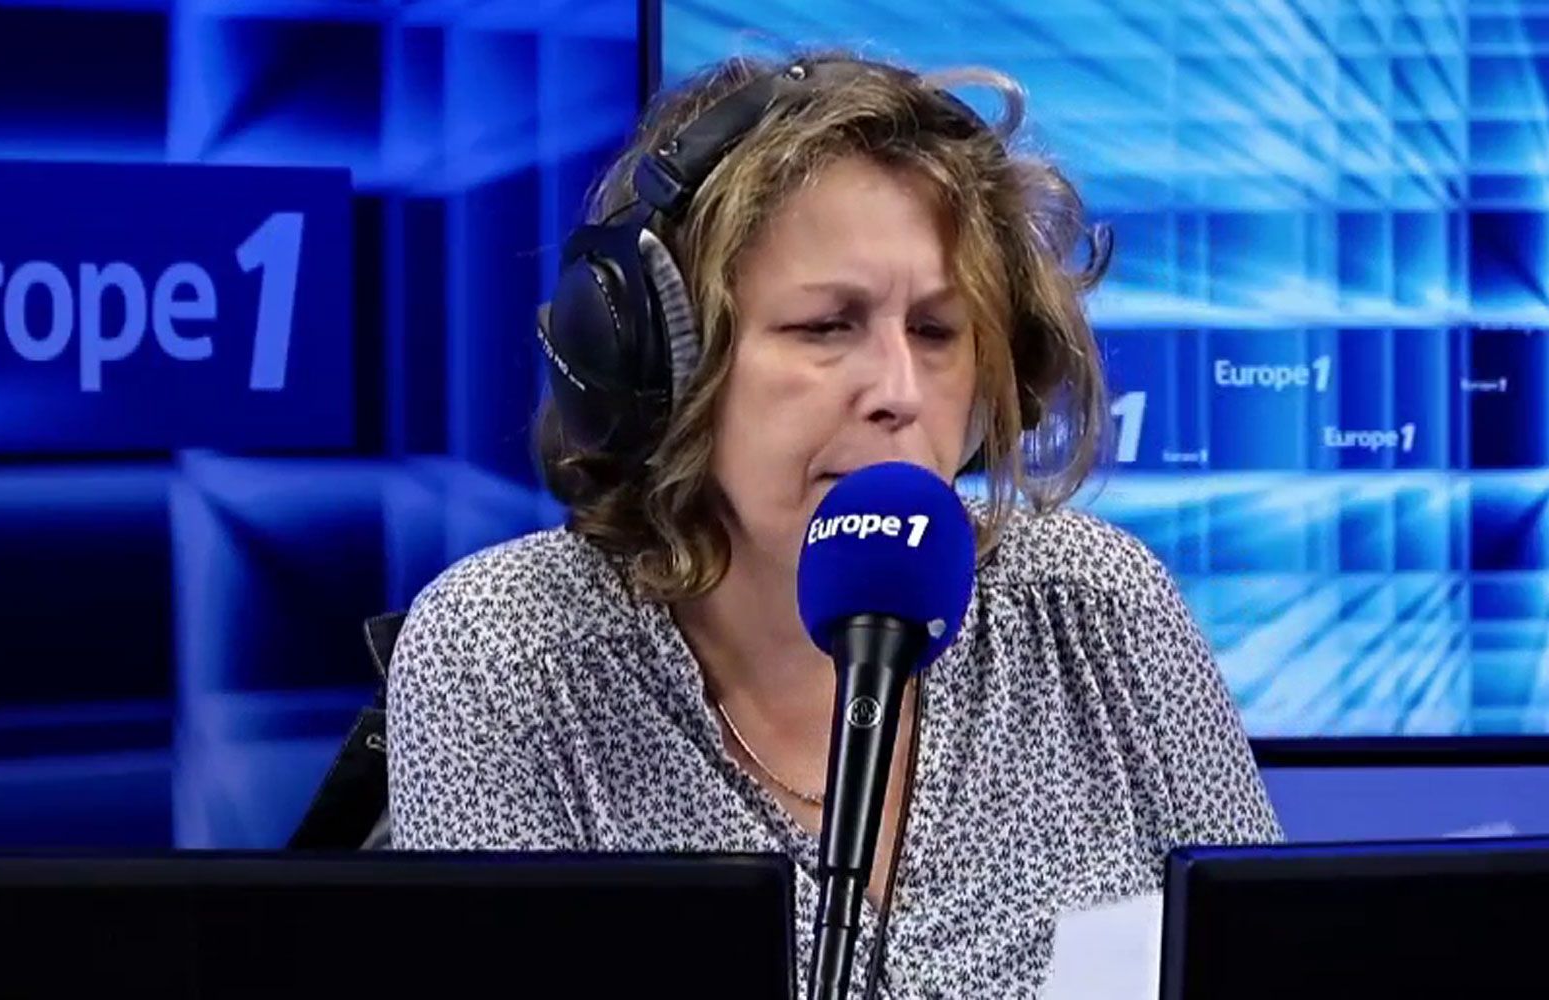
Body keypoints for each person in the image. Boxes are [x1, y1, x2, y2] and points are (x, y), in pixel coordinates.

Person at [387, 49, 1283, 999]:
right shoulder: (508, 655)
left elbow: (1276, 968)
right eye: (826, 327)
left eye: (935, 332)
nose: (899, 391)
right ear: (665, 368)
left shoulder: (1096, 609)